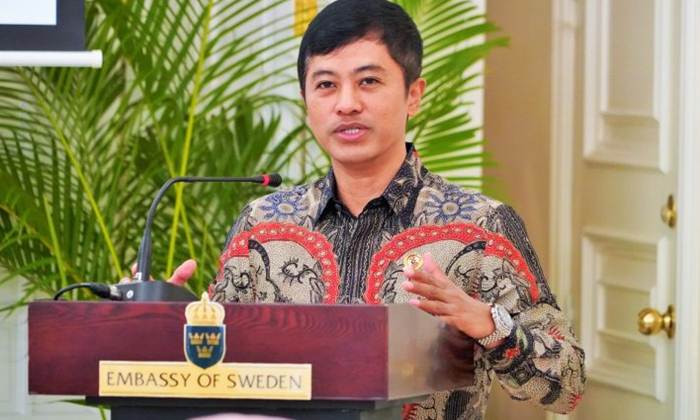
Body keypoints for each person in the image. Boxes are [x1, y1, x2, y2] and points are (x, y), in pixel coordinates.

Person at [161, 0, 585, 418]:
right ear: (306, 101)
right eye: (326, 85)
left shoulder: (480, 226)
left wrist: (490, 325)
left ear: (413, 95)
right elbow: (213, 368)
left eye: (368, 81)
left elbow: (568, 387)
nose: (346, 103)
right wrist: (159, 316)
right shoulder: (263, 226)